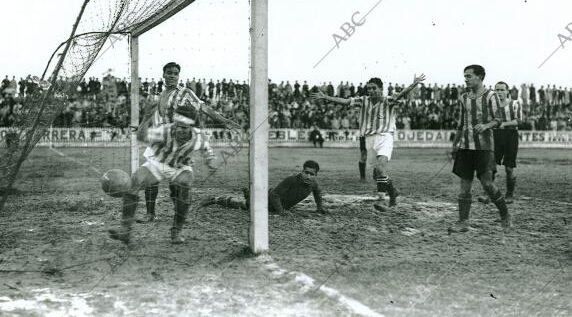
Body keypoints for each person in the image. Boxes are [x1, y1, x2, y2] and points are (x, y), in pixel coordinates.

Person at [138, 62, 240, 224]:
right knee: (151, 179)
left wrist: (223, 121)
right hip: (160, 141)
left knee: (176, 184)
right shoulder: (161, 95)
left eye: (175, 73)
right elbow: (157, 118)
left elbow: (203, 108)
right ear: (163, 75)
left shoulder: (185, 93)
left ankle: (180, 214)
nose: (172, 76)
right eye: (169, 73)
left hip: (176, 141)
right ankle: (150, 214)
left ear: (179, 76)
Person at [313, 74, 425, 209]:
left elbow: (401, 94)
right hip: (369, 139)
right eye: (369, 88)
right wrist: (326, 97)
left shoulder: (388, 100)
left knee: (380, 168)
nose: (371, 91)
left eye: (374, 88)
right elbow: (345, 101)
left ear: (381, 88)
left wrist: (413, 84)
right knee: (376, 174)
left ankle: (381, 199)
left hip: (385, 137)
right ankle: (393, 192)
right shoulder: (363, 100)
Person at [108, 105, 216, 244]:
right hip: (158, 162)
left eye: (183, 127)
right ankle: (125, 230)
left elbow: (208, 152)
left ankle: (176, 231)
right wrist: (146, 118)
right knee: (133, 183)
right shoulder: (165, 131)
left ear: (191, 127)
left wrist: (211, 162)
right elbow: (141, 136)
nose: (178, 130)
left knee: (185, 186)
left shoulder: (199, 137)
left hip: (180, 166)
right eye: (177, 125)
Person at [449, 65, 511, 233]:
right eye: (465, 76)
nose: (466, 79)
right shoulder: (463, 97)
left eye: (469, 76)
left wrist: (485, 126)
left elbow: (499, 119)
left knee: (487, 184)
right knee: (464, 186)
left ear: (480, 77)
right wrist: (454, 145)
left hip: (485, 148)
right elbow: (461, 124)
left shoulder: (491, 96)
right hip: (465, 148)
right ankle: (463, 222)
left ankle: (505, 215)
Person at [200, 160, 328, 215]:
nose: (308, 176)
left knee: (250, 205)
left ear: (316, 175)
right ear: (302, 171)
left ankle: (249, 194)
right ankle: (216, 199)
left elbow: (317, 193)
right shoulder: (292, 179)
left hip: (278, 205)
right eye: (306, 172)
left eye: (312, 174)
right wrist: (281, 211)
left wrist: (320, 207)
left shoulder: (314, 184)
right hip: (267, 199)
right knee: (246, 206)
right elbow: (274, 194)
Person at [478, 81, 522, 204]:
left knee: (509, 168)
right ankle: (487, 194)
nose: (499, 92)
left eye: (502, 90)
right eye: (497, 90)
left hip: (510, 136)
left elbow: (518, 121)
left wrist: (503, 124)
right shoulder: (491, 106)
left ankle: (509, 194)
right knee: (490, 166)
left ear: (507, 91)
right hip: (495, 136)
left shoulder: (514, 104)